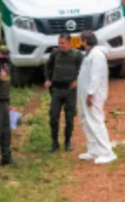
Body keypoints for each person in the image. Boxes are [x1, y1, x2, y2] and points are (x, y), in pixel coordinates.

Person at [77, 31, 116, 165]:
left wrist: (90, 94)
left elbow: (96, 76)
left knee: (95, 121)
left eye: (81, 40)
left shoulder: (97, 55)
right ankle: (94, 150)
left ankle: (107, 152)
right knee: (86, 121)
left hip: (93, 95)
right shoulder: (89, 54)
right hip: (85, 94)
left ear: (85, 41)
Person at [44, 33, 83, 152]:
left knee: (69, 118)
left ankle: (67, 142)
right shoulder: (55, 54)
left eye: (63, 43)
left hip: (70, 91)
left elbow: (84, 70)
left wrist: (77, 81)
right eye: (59, 43)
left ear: (69, 43)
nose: (60, 45)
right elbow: (47, 67)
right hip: (56, 90)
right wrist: (48, 80)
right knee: (53, 117)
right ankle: (55, 142)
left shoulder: (77, 55)